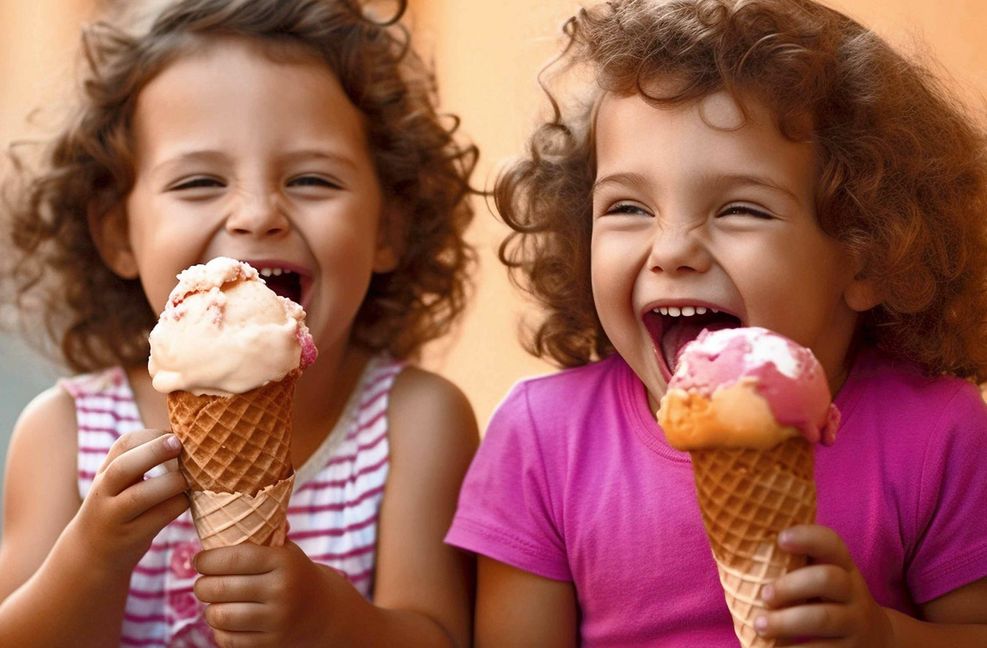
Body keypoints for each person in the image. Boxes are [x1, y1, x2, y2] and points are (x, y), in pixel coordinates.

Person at [446, 0, 987, 645]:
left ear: (867, 255)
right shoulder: (541, 440)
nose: (672, 249)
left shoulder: (941, 434)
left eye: (739, 210)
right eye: (627, 206)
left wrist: (886, 638)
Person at [0, 0, 479, 646]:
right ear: (117, 232)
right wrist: (92, 555)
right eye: (199, 182)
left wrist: (330, 620)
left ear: (388, 227)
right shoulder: (63, 436)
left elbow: (440, 635)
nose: (257, 214)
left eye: (312, 178)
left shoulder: (415, 423)